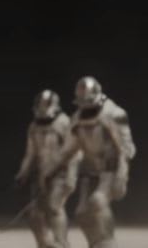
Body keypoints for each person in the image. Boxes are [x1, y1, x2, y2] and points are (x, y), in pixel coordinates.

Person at [56, 77, 134, 248]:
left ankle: (109, 242)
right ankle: (97, 244)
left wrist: (122, 174)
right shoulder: (77, 118)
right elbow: (69, 148)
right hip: (90, 170)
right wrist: (53, 168)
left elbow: (126, 147)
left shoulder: (114, 113)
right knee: (82, 213)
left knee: (98, 202)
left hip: (111, 169)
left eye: (88, 101)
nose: (86, 105)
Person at [16, 90, 79, 248]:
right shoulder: (34, 126)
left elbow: (75, 151)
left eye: (45, 105)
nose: (42, 109)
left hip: (61, 173)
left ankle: (61, 243)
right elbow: (30, 153)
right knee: (34, 213)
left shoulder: (64, 123)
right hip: (42, 174)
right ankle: (45, 244)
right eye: (40, 105)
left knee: (54, 206)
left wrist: (71, 175)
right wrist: (23, 172)